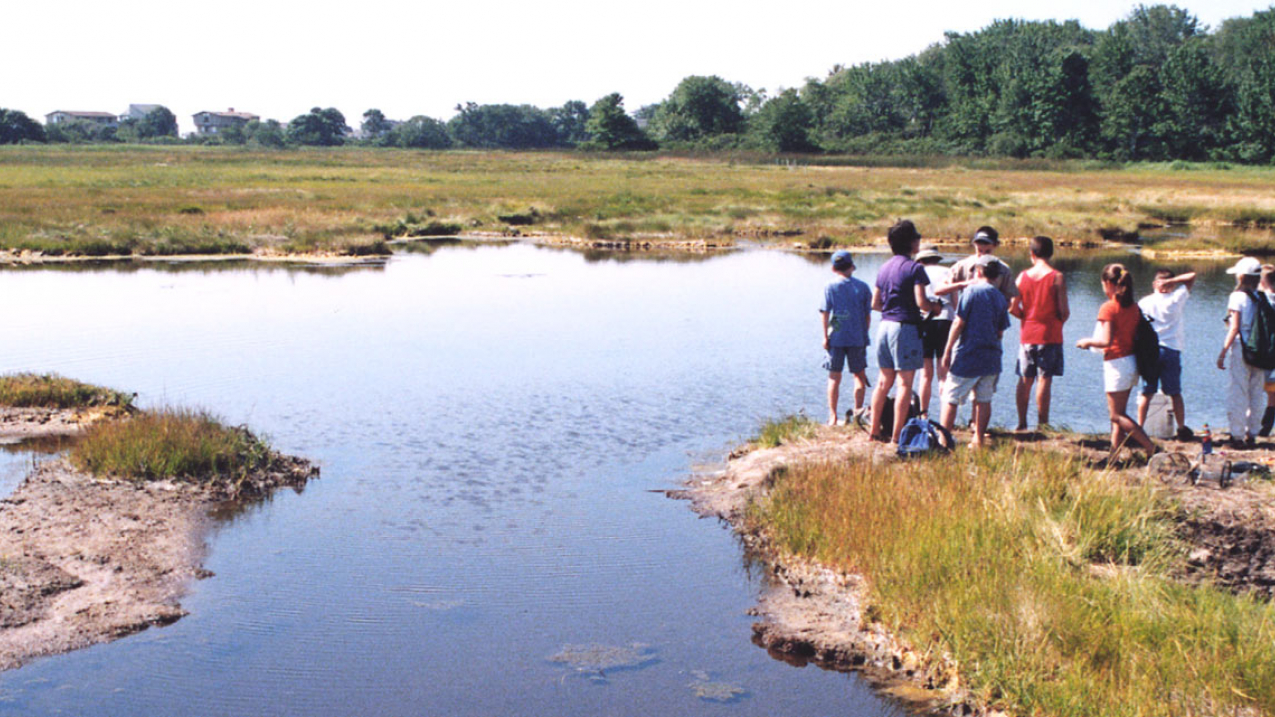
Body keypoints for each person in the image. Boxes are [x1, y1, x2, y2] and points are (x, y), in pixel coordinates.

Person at [1075, 264, 1157, 457]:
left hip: (1117, 364)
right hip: (1131, 362)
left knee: (1116, 415)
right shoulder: (1133, 307)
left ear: (1108, 283)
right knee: (1120, 413)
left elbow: (1106, 341)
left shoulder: (1108, 308)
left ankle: (1150, 447)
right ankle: (1114, 455)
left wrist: (1087, 342)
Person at [869, 219, 935, 444]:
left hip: (884, 326)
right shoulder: (915, 268)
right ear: (910, 242)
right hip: (904, 328)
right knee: (904, 384)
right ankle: (897, 437)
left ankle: (874, 430)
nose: (919, 241)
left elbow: (875, 303)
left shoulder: (884, 268)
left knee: (883, 381)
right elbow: (922, 302)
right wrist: (935, 308)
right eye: (917, 238)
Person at [939, 254, 1010, 449]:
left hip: (968, 354)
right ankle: (978, 440)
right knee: (984, 399)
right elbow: (1000, 331)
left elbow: (958, 323)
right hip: (992, 356)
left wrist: (947, 350)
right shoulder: (1000, 298)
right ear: (997, 276)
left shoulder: (971, 291)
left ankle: (944, 440)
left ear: (978, 271)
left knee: (950, 397)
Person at [1009, 236, 1069, 431]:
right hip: (1050, 334)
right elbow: (1064, 311)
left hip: (1027, 334)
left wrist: (1026, 317)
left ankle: (1021, 423)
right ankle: (1042, 424)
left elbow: (1012, 308)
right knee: (1044, 379)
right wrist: (1056, 323)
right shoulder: (1057, 277)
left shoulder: (1022, 277)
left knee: (1025, 379)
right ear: (1051, 253)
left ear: (1032, 254)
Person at [1135, 268, 1196, 440]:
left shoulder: (1144, 302)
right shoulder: (1176, 298)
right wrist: (1173, 281)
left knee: (1147, 392)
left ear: (1154, 284)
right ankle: (1181, 428)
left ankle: (1139, 428)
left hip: (1150, 351)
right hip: (1171, 349)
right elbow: (1191, 276)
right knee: (1175, 393)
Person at [1218, 257, 1267, 447]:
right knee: (1257, 393)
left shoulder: (1237, 297)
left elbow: (1234, 327)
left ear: (1241, 276)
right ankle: (1252, 434)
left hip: (1242, 348)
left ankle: (1237, 436)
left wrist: (1223, 351)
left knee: (1238, 391)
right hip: (1260, 350)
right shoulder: (1261, 296)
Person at [820, 250, 872, 426]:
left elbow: (825, 313)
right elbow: (867, 316)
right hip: (857, 336)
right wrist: (864, 335)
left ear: (834, 268)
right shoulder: (863, 287)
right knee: (859, 376)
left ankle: (833, 416)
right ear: (852, 266)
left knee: (834, 376)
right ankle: (857, 415)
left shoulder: (830, 286)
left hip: (836, 334)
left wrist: (825, 336)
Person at [916, 244, 952, 417]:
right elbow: (955, 301)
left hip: (924, 322)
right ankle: (945, 415)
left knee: (925, 374)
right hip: (946, 320)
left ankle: (923, 415)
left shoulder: (918, 273)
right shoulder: (948, 272)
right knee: (944, 373)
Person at [939, 226, 1017, 306]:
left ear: (995, 245)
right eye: (979, 251)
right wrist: (963, 284)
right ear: (974, 245)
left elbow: (1010, 299)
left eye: (987, 252)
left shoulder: (1003, 269)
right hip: (967, 311)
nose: (983, 255)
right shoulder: (962, 266)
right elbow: (939, 290)